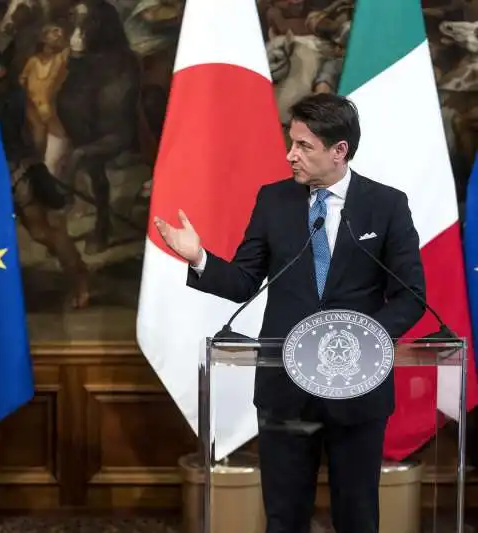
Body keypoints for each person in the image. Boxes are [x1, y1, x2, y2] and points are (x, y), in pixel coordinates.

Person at [154, 93, 425, 533]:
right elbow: (244, 280)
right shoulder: (274, 201)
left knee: (357, 517)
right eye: (291, 142)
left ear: (340, 151)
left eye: (304, 146)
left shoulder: (386, 205)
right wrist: (200, 257)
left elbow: (411, 296)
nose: (290, 155)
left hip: (357, 390)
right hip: (285, 387)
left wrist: (358, 338)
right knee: (283, 518)